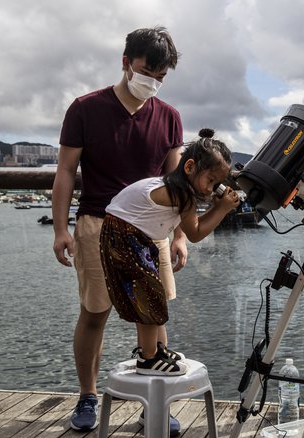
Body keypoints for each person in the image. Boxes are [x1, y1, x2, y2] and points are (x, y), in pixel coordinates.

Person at [52, 27, 186, 433]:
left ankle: (154, 403)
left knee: (154, 313)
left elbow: (177, 183)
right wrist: (61, 229)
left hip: (152, 231)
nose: (153, 82)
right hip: (97, 223)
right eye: (148, 71)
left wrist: (180, 235)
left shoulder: (170, 117)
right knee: (95, 313)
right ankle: (88, 396)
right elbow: (64, 172)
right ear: (126, 61)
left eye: (162, 77)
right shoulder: (85, 108)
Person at [100, 129, 240, 375]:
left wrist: (217, 206)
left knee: (150, 297)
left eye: (217, 184)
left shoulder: (175, 186)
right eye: (211, 180)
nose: (212, 189)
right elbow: (195, 233)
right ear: (189, 167)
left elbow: (192, 225)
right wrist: (222, 210)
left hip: (126, 235)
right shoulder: (183, 195)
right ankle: (149, 358)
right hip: (126, 237)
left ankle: (154, 349)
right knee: (148, 299)